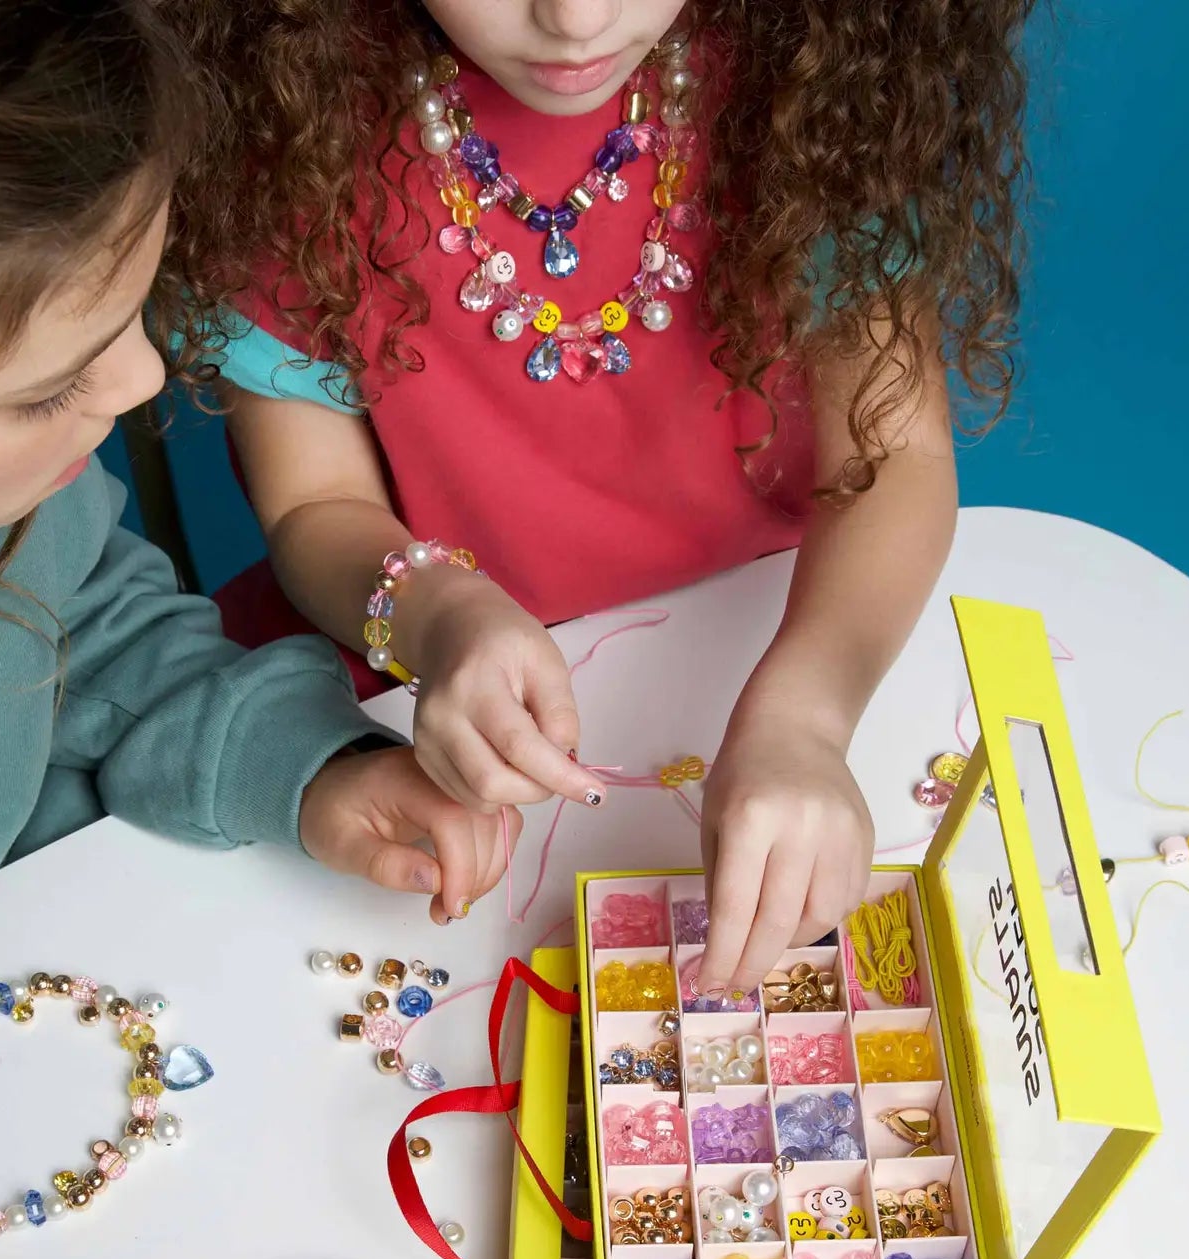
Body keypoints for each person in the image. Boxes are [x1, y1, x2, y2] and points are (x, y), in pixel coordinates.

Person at [164, 0, 1031, 995]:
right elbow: (315, 505)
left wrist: (805, 718)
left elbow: (898, 462)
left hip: (799, 628)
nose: (576, 19)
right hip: (441, 697)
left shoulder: (815, 72)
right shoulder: (284, 118)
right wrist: (437, 612)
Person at [0, 0, 515, 1056]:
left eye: (134, 312)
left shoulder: (2, 491)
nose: (145, 379)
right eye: (49, 388)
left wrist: (308, 767)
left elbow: (88, 630)